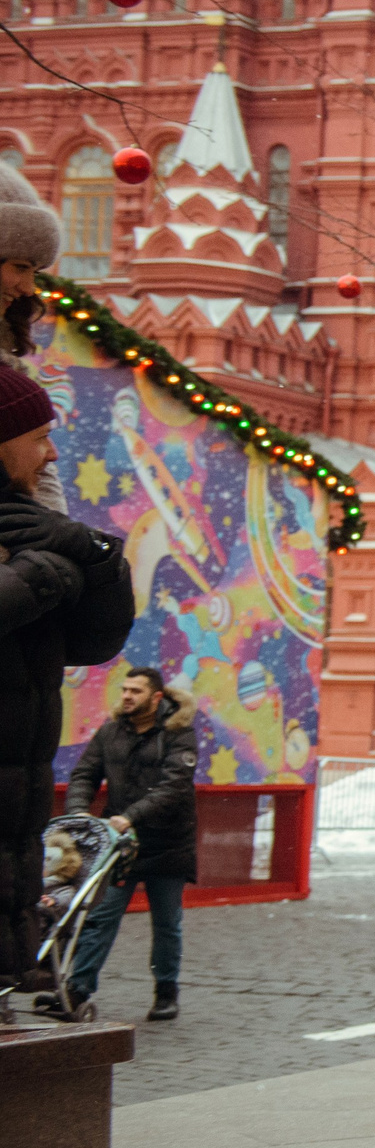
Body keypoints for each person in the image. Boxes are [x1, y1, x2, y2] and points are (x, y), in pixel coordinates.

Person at [0, 367, 134, 1025]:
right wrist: (52, 571)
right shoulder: (31, 542)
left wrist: (97, 556)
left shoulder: (32, 525)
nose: (51, 453)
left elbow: (96, 639)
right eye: (39, 436)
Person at [61, 667, 198, 1022]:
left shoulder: (178, 733)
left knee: (167, 922)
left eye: (135, 691)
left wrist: (131, 815)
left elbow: (174, 786)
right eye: (124, 689)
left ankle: (166, 991)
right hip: (120, 844)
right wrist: (78, 812)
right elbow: (84, 774)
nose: (126, 696)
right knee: (102, 915)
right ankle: (77, 990)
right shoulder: (110, 732)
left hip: (167, 843)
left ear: (156, 698)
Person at [0, 162, 71, 513]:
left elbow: (40, 479)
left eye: (35, 272)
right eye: (20, 267)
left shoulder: (10, 368)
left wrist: (58, 545)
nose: (28, 288)